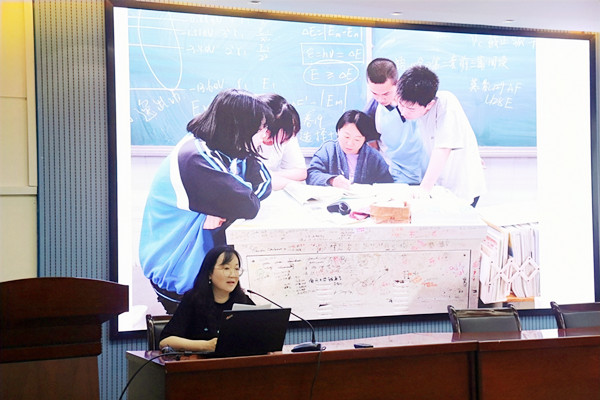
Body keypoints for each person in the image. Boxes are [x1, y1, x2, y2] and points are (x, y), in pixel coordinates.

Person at [139, 89, 272, 314]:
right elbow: (248, 205)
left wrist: (225, 209)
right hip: (179, 274)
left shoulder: (227, 148)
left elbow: (264, 183)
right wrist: (234, 203)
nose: (264, 135)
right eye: (260, 129)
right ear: (239, 128)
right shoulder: (195, 157)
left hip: (203, 266)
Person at [396, 65, 486, 206]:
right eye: (401, 105)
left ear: (429, 105)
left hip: (462, 184)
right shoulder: (414, 102)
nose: (403, 112)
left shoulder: (446, 103)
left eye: (410, 108)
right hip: (441, 184)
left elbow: (443, 148)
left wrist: (424, 189)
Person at [159, 246, 254, 352]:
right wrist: (206, 345)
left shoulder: (243, 301)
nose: (233, 275)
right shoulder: (193, 300)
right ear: (209, 273)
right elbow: (165, 341)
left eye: (236, 269)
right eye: (226, 268)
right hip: (201, 361)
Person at [365, 58, 429, 184]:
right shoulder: (370, 114)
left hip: (430, 173)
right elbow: (374, 152)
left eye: (386, 94)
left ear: (397, 83)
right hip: (397, 179)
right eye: (374, 93)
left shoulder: (419, 97)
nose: (380, 99)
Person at [306, 110, 393, 189]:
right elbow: (311, 174)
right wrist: (332, 180)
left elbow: (387, 183)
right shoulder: (328, 150)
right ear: (338, 131)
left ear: (364, 139)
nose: (350, 143)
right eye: (346, 137)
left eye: (357, 139)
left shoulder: (373, 156)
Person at [257, 94, 307, 190]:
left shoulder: (288, 137)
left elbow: (300, 173)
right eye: (287, 129)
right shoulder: (250, 140)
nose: (292, 134)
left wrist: (267, 176)